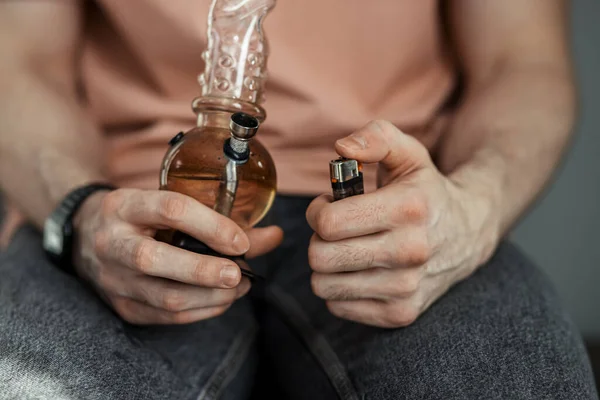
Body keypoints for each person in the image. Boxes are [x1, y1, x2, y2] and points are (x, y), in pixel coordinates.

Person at [0, 0, 597, 399]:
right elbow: (19, 60)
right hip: (127, 211)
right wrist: (76, 211)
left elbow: (521, 62)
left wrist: (474, 208)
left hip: (392, 210)